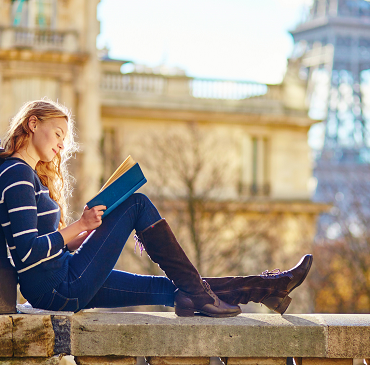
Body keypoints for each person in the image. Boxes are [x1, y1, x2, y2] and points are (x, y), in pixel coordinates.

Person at [0, 99, 313, 317]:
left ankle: (266, 288)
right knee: (136, 203)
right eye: (58, 134)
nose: (61, 145)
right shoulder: (17, 174)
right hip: (58, 287)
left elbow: (39, 246)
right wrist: (80, 225)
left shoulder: (26, 176)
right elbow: (27, 252)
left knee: (174, 291)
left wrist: (82, 235)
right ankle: (212, 294)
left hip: (61, 278)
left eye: (64, 140)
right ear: (32, 123)